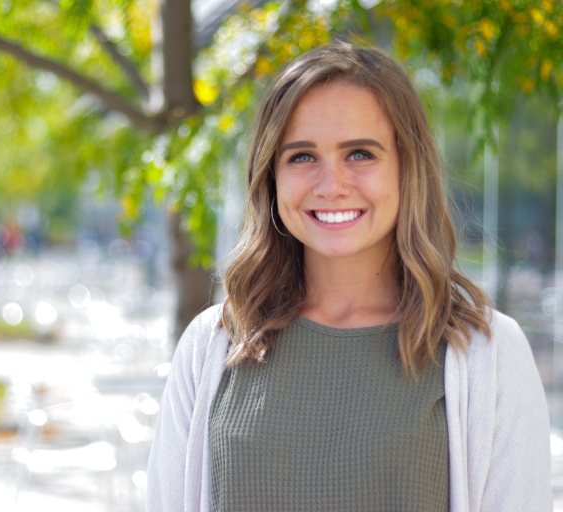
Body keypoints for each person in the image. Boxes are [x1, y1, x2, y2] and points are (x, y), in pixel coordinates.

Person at [145, 42, 551, 511]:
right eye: (301, 156)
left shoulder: (489, 352)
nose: (331, 184)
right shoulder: (211, 346)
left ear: (407, 168)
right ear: (271, 177)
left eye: (360, 153)